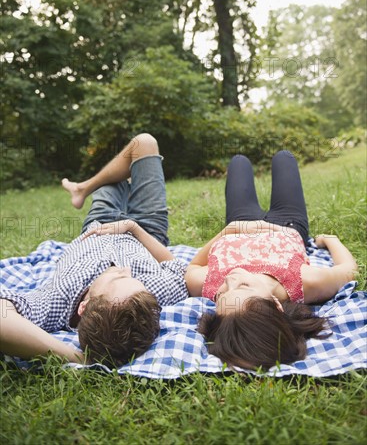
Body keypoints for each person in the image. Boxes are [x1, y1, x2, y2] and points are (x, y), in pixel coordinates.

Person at [0, 134, 188, 367]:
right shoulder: (147, 298)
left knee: (116, 180)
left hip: (100, 220)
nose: (125, 269)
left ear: (84, 305)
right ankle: (84, 187)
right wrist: (134, 229)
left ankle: (83, 188)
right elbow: (176, 268)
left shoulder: (57, 301)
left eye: (116, 278)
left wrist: (77, 357)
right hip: (146, 229)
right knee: (144, 143)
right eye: (132, 278)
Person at [185, 151, 358, 370]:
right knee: (284, 157)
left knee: (239, 162)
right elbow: (349, 270)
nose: (231, 277)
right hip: (287, 224)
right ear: (276, 305)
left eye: (221, 293)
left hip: (240, 223)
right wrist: (330, 240)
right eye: (243, 285)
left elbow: (193, 267)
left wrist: (229, 231)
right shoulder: (306, 282)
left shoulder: (206, 284)